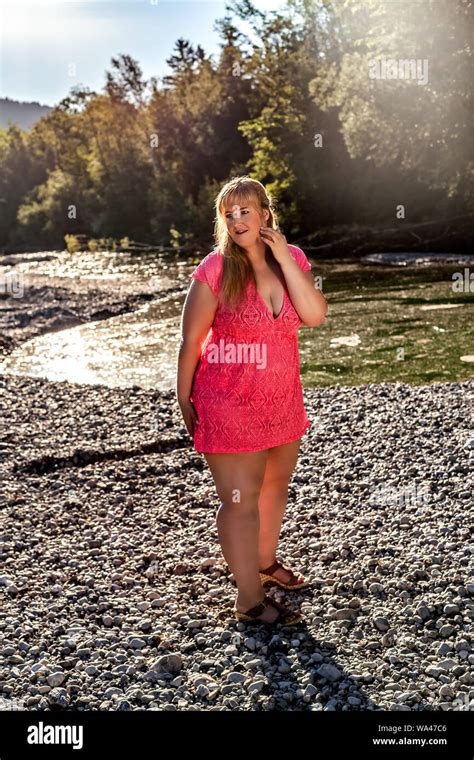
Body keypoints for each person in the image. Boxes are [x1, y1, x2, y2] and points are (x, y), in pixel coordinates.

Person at [176, 176, 328, 626]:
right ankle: (248, 598)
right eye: (229, 214)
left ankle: (263, 563)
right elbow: (190, 340)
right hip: (228, 402)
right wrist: (183, 399)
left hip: (282, 400)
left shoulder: (293, 258)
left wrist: (282, 255)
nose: (237, 220)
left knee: (274, 487)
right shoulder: (215, 269)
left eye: (245, 211)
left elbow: (315, 315)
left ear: (265, 213)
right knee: (240, 500)